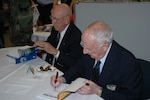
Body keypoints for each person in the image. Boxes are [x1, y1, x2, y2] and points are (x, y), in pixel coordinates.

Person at [50, 21, 143, 100]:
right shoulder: (90, 51)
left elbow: (132, 97)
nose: (84, 52)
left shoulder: (127, 62)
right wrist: (62, 78)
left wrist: (99, 91)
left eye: (89, 49)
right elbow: (77, 67)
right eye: (83, 46)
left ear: (104, 47)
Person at [34, 4, 83, 73]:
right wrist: (41, 46)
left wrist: (56, 52)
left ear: (66, 20)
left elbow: (74, 63)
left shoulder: (75, 36)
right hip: (49, 68)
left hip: (63, 74)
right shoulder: (56, 29)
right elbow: (50, 44)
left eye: (56, 19)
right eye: (52, 18)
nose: (52, 22)